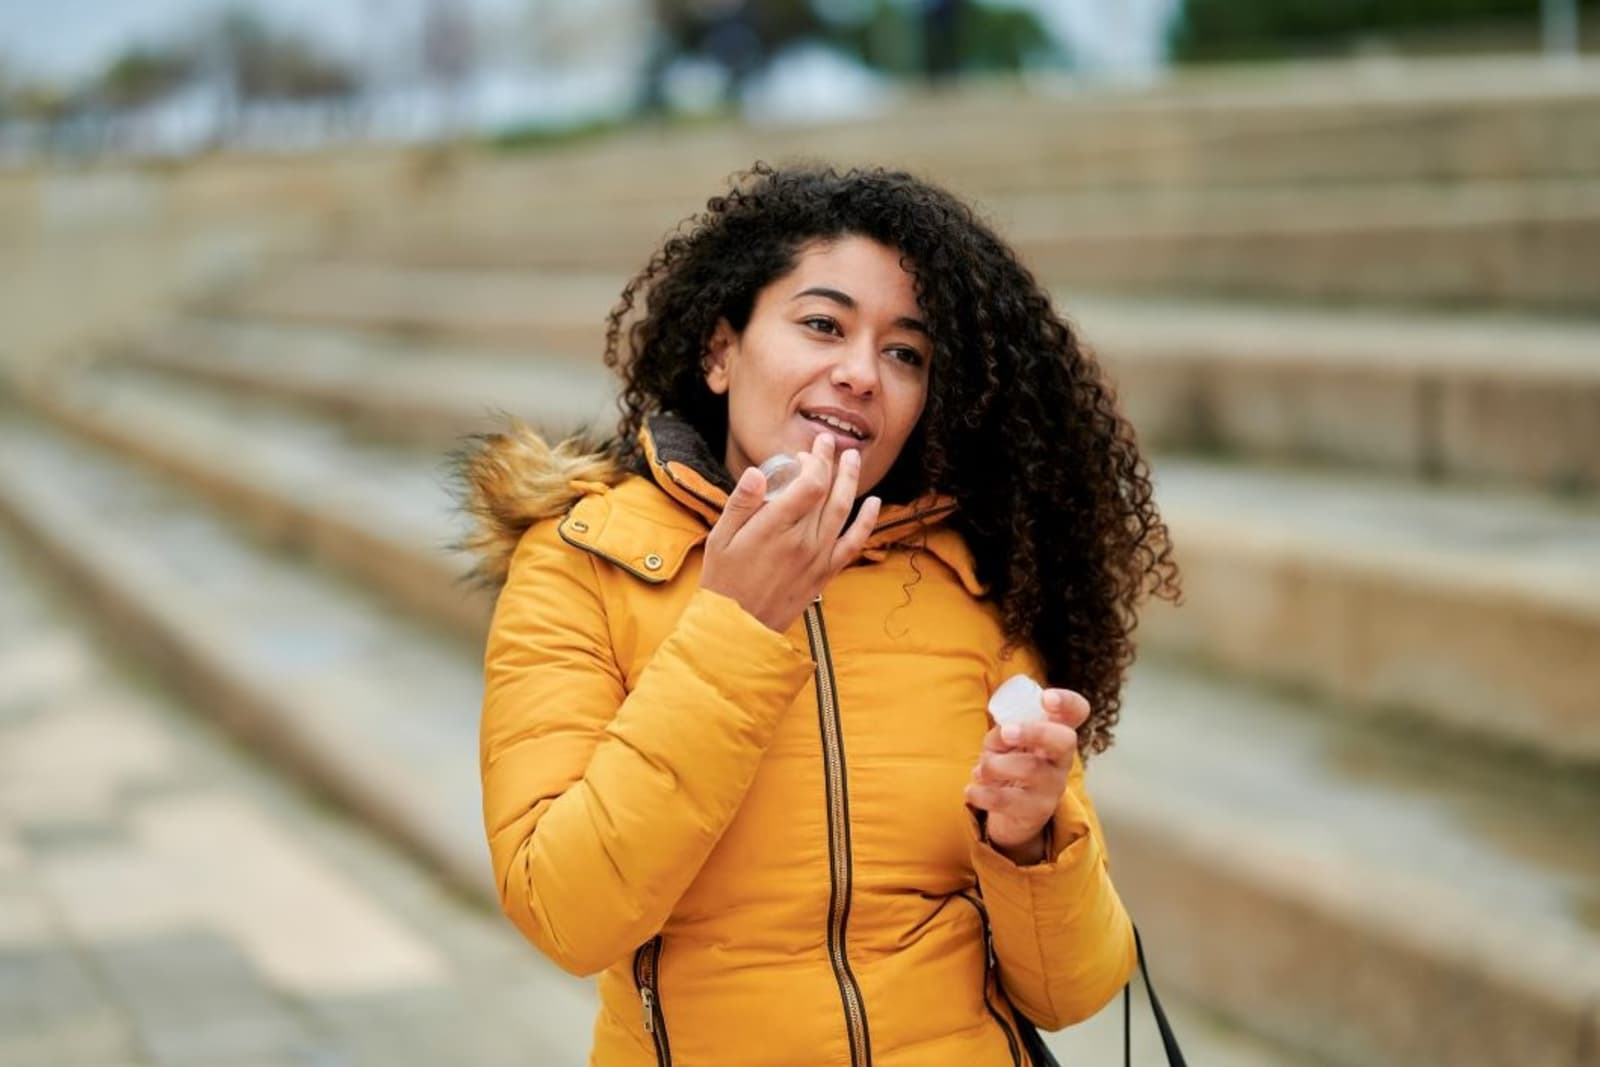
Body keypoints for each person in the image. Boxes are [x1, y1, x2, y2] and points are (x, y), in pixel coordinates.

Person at [461, 161, 1180, 1066]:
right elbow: (566, 911)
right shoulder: (579, 564)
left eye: (904, 352)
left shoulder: (971, 584)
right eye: (822, 325)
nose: (861, 374)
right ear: (721, 352)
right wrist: (736, 625)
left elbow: (1073, 989)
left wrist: (1030, 838)